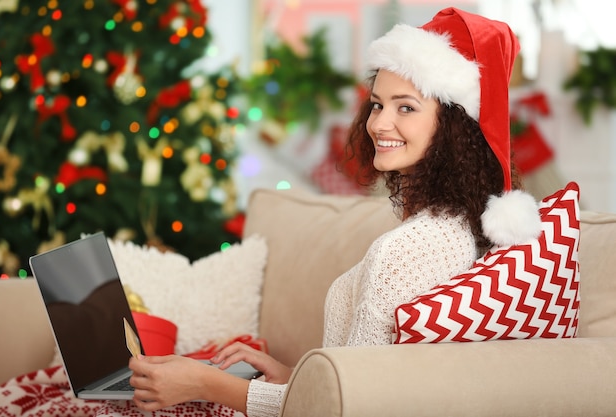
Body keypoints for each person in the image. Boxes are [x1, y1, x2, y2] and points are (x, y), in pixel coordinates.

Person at [97, 7, 540, 417]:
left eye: (406, 107)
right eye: (379, 104)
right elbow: (357, 384)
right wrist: (291, 375)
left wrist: (205, 384)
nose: (379, 123)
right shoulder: (451, 228)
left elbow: (350, 406)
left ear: (455, 126)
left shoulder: (413, 248)